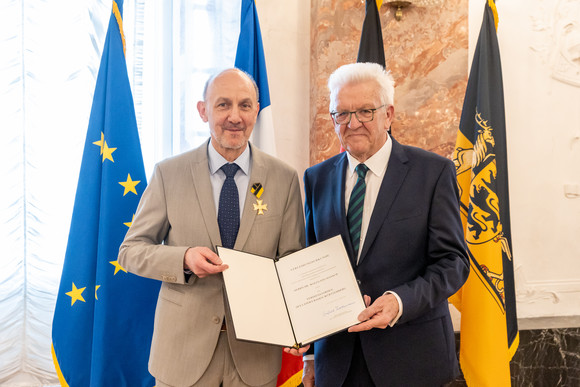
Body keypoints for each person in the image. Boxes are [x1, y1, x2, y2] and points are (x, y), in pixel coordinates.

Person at [118, 68, 305, 387]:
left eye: (245, 105)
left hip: (255, 356)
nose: (235, 116)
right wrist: (183, 259)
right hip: (182, 354)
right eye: (223, 105)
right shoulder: (169, 174)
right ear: (203, 110)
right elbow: (130, 252)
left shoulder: (283, 178)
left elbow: (291, 263)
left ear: (256, 111)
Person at [300, 62, 470, 386]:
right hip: (337, 363)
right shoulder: (315, 178)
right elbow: (310, 263)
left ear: (389, 114)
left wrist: (399, 301)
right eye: (342, 114)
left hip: (412, 360)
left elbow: (454, 263)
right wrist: (309, 356)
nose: (353, 124)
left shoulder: (432, 173)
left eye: (365, 111)